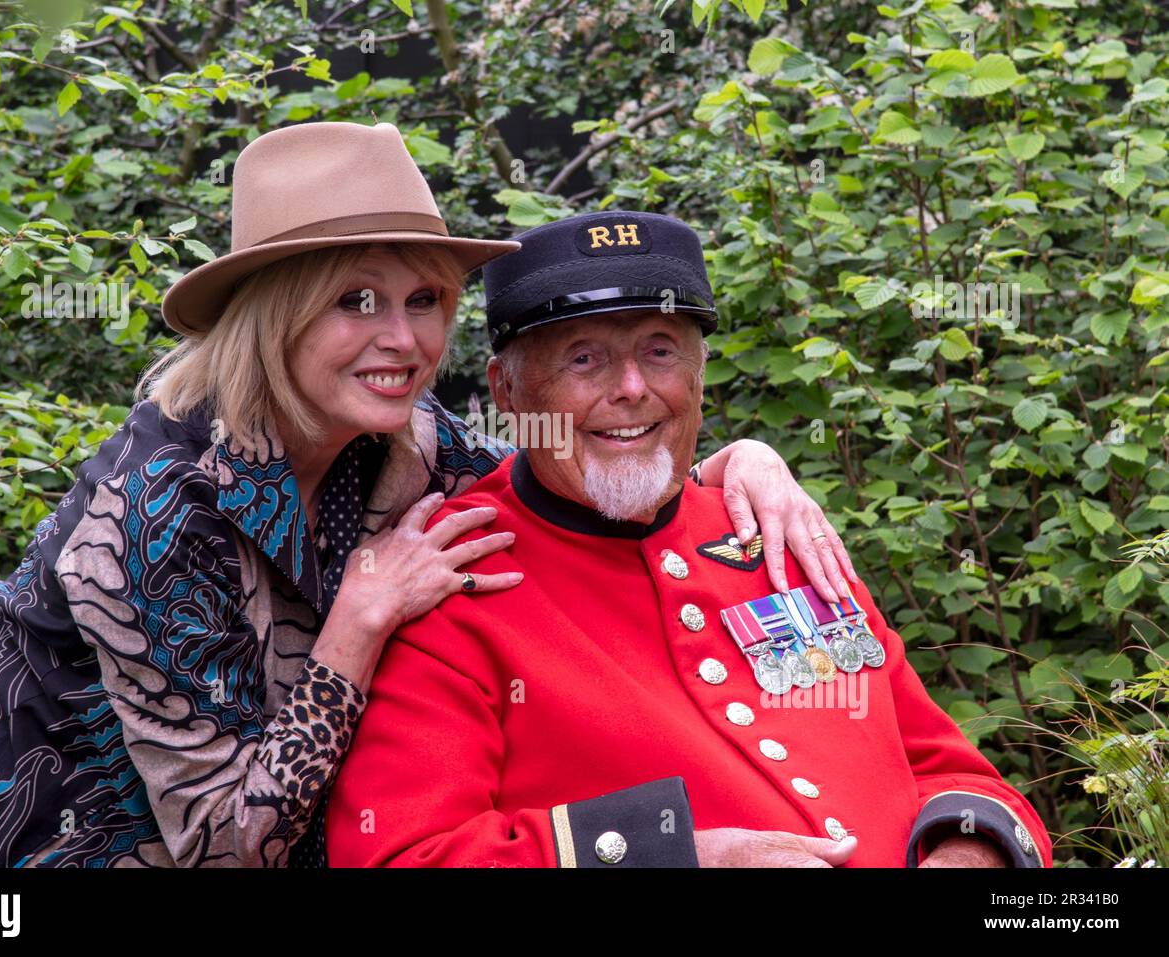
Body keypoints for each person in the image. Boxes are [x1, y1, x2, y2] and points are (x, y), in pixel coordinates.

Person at [0, 125, 847, 867]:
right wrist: (357, 626)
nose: (404, 340)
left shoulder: (403, 445)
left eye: (424, 300)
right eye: (357, 301)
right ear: (277, 314)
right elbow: (225, 847)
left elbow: (586, 455)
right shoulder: (155, 509)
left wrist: (738, 462)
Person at [325, 210, 1052, 868]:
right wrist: (677, 856)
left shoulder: (776, 534)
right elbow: (404, 856)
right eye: (585, 359)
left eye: (662, 351)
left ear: (701, 372)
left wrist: (965, 860)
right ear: (508, 390)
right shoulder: (450, 580)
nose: (634, 388)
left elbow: (955, 775)